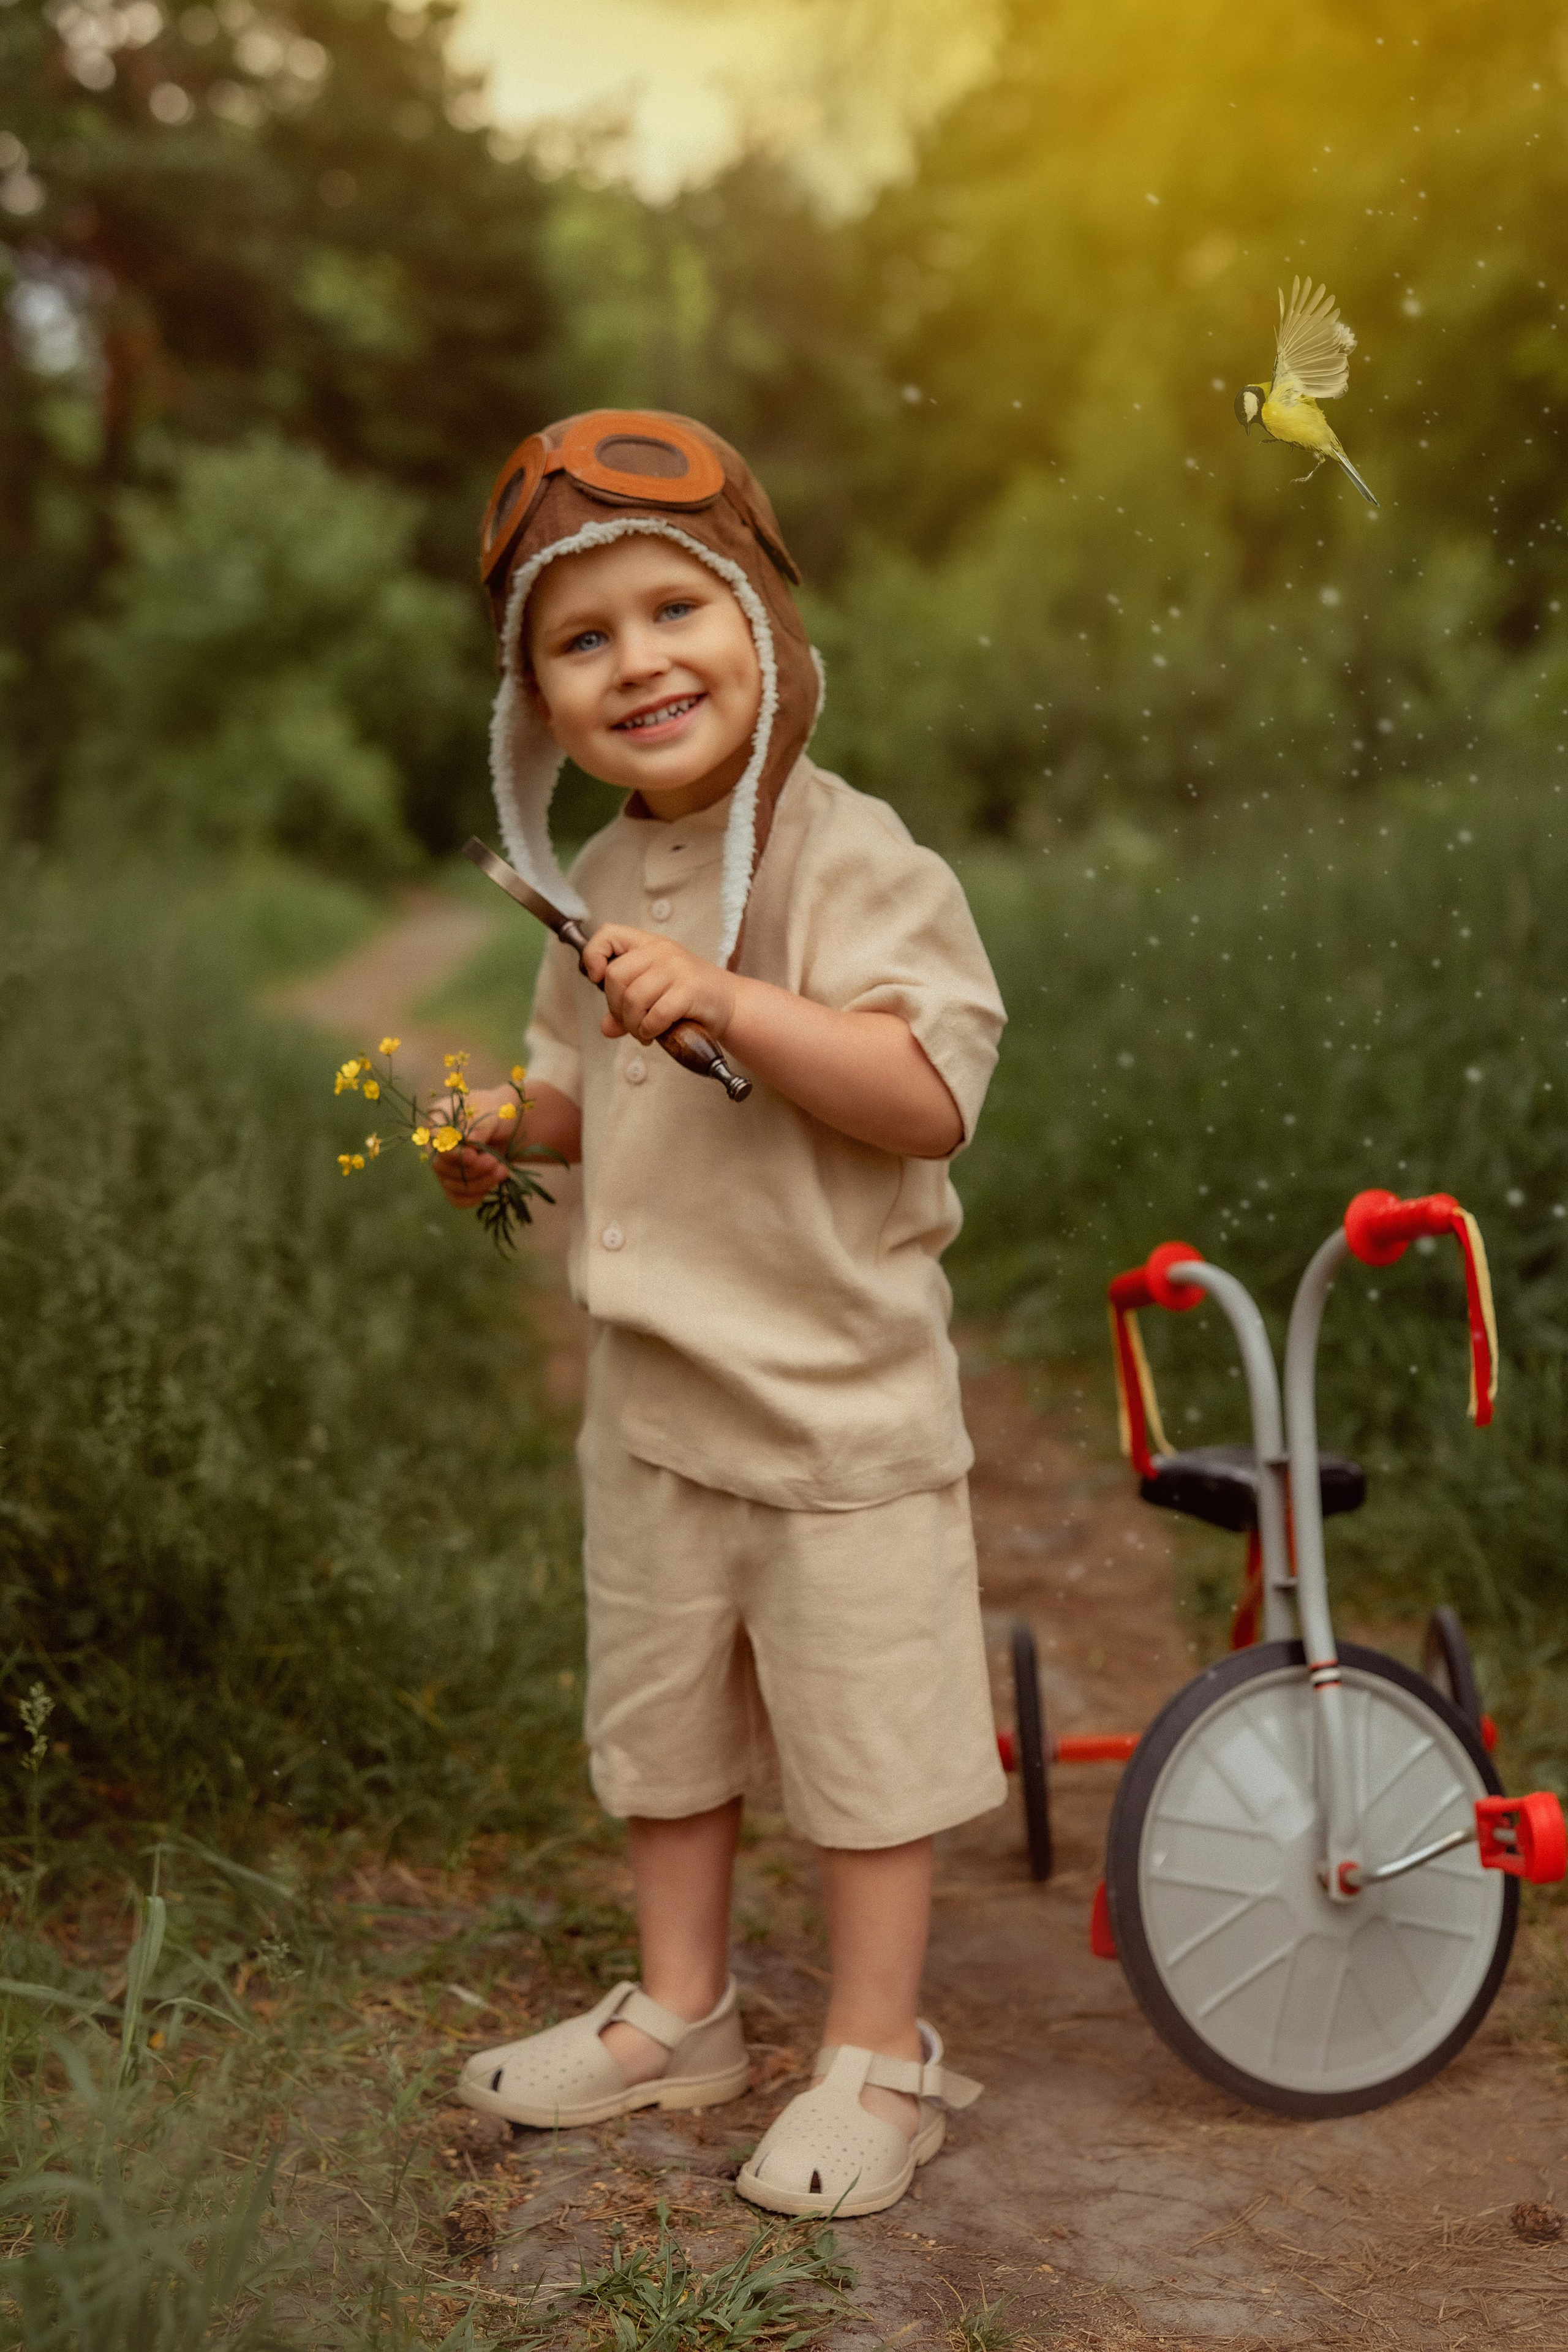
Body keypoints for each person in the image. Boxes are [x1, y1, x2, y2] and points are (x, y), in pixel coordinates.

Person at [441, 409, 1006, 2218]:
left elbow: (926, 1093)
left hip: (838, 1405)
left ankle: (878, 2051)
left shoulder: (861, 860)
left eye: (673, 611)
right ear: (539, 704)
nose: (638, 664)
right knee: (665, 1727)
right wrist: (501, 1129)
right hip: (659, 1405)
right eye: (582, 641)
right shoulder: (592, 883)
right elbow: (589, 1092)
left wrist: (734, 1002)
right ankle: (680, 2009)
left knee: (863, 1740)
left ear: (758, 623)